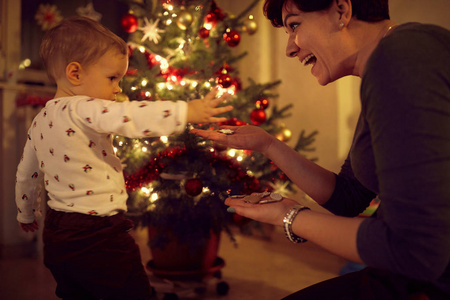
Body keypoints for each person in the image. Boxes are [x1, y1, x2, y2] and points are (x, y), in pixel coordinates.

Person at [191, 0, 450, 299]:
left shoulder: (401, 59)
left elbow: (415, 249)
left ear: (342, 11)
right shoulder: (388, 61)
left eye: (295, 25)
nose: (289, 48)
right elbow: (349, 197)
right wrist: (267, 144)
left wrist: (289, 216)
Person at [15, 16, 232, 300]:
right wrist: (185, 112)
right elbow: (131, 117)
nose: (117, 88)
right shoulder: (85, 108)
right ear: (75, 74)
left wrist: (25, 211)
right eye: (112, 78)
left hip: (57, 235)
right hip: (99, 234)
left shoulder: (39, 121)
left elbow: (26, 174)